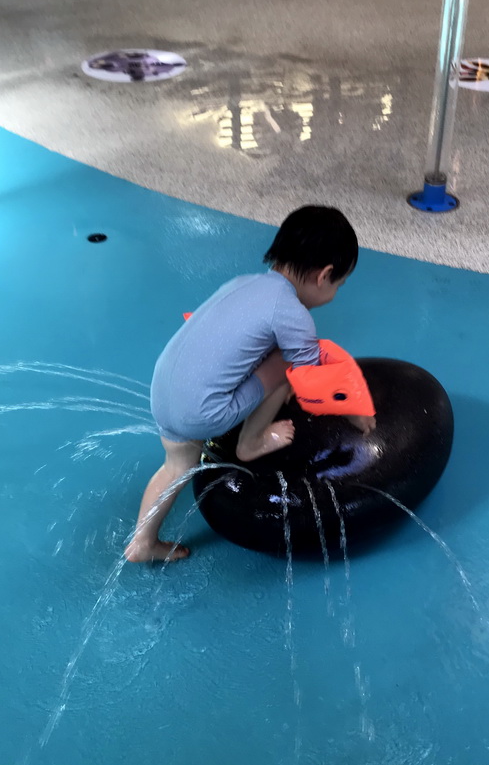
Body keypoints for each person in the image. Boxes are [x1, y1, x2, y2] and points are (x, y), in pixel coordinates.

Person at [124, 206, 376, 563]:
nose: (336, 291)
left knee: (176, 466)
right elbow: (311, 383)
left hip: (165, 393)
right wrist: (355, 415)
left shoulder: (242, 283)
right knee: (290, 361)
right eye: (340, 284)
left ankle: (142, 544)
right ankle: (252, 441)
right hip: (206, 412)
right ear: (325, 275)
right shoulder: (293, 315)